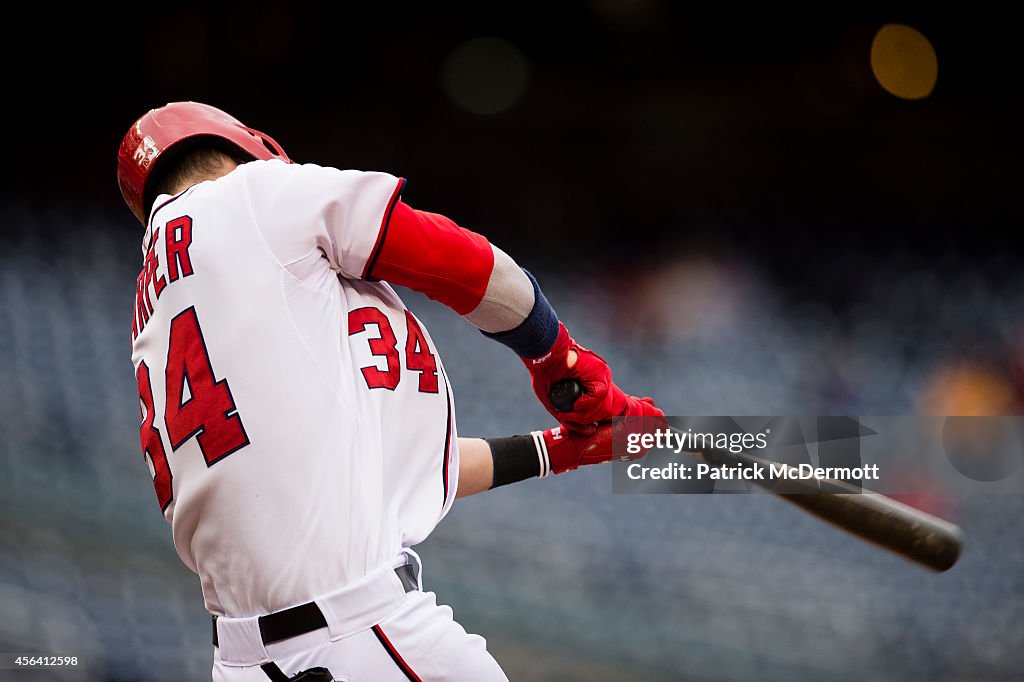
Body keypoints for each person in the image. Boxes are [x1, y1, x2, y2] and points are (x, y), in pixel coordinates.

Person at [118, 101, 663, 681]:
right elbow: (461, 261)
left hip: (247, 662)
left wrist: (559, 451)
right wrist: (557, 357)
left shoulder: (155, 309)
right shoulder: (255, 195)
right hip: (359, 631)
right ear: (243, 145)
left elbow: (391, 469)